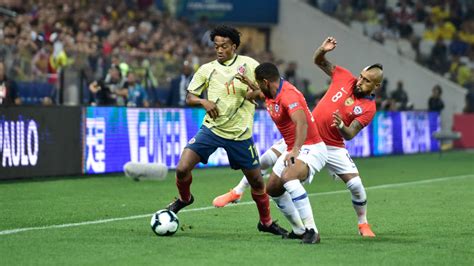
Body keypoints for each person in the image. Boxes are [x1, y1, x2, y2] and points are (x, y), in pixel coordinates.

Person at [213, 37, 381, 238]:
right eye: (361, 76)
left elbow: (351, 133)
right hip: (304, 135)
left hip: (332, 145)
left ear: (376, 86)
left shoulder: (369, 108)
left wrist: (342, 126)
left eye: (367, 80)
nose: (360, 81)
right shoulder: (345, 76)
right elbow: (319, 61)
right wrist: (322, 49)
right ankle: (238, 191)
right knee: (266, 160)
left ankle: (363, 223)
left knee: (356, 186)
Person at [164, 25, 288, 237]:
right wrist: (203, 101)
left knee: (257, 181)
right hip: (212, 130)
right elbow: (189, 97)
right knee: (182, 168)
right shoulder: (206, 69)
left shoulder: (249, 65)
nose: (219, 50)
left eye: (224, 46)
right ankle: (185, 198)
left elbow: (268, 90)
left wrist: (254, 91)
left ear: (234, 46)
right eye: (216, 46)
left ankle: (266, 222)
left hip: (240, 135)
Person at [237, 62, 328, 244]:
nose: (258, 86)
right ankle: (299, 229)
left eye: (258, 82)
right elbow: (256, 93)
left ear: (265, 81)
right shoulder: (271, 91)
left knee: (289, 177)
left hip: (310, 147)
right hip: (291, 147)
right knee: (272, 189)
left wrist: (295, 150)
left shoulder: (289, 95)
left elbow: (301, 123)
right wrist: (249, 87)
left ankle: (313, 231)